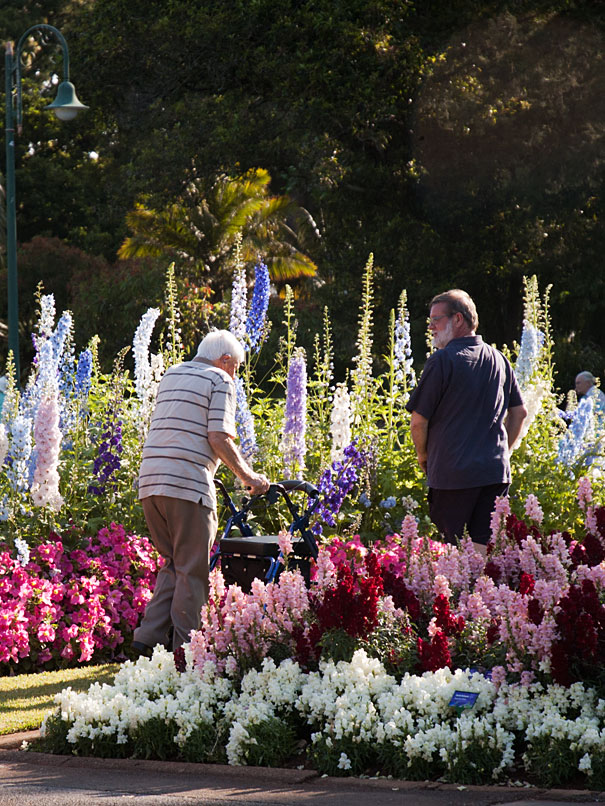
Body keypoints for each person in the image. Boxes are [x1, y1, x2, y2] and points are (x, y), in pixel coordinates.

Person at [132, 330, 270, 655]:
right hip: (187, 486)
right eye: (235, 366)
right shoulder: (220, 380)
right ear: (224, 360)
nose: (235, 373)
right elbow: (219, 436)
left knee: (174, 563)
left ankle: (145, 640)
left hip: (151, 483)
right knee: (193, 571)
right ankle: (187, 654)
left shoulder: (171, 374)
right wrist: (250, 477)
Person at [406, 289, 527, 553]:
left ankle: (462, 595)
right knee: (482, 552)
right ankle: (481, 595)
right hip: (494, 474)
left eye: (435, 319)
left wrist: (423, 455)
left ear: (458, 319)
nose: (430, 327)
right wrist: (502, 452)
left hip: (453, 474)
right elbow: (519, 413)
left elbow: (418, 421)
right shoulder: (499, 359)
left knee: (455, 554)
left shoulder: (443, 360)